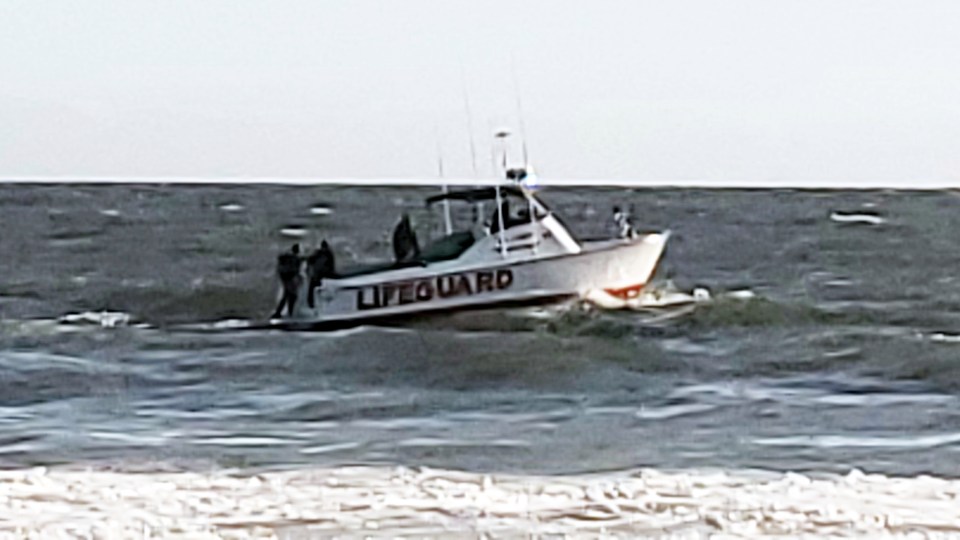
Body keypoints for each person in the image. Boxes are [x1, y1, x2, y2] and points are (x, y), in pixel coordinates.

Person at [271, 243, 303, 319]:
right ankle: (286, 313)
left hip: (285, 278)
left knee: (287, 295)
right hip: (289, 278)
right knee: (291, 296)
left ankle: (281, 312)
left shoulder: (287, 257)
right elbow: (295, 270)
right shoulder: (295, 259)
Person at [305, 240, 335, 309]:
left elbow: (331, 266)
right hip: (318, 275)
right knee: (312, 288)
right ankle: (311, 303)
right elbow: (310, 260)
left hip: (324, 275)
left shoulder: (328, 254)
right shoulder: (319, 253)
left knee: (318, 289)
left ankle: (318, 303)